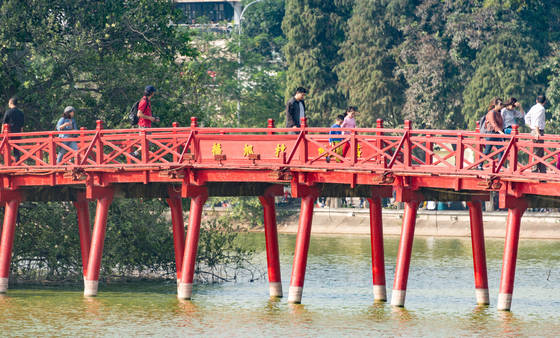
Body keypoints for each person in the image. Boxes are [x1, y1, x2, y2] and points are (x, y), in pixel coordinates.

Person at [132, 85, 159, 158]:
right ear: (151, 93)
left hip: (146, 125)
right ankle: (135, 153)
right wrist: (150, 118)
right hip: (143, 125)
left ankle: (137, 154)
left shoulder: (147, 101)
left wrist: (153, 118)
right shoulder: (144, 101)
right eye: (153, 92)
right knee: (146, 143)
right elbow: (139, 114)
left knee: (147, 144)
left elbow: (146, 113)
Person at [478, 98, 505, 170]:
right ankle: (479, 165)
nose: (502, 105)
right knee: (487, 151)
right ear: (496, 105)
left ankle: (499, 166)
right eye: (500, 104)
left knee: (501, 149)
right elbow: (493, 123)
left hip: (497, 134)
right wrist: (500, 132)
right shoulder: (491, 113)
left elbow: (501, 123)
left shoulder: (499, 113)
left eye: (502, 104)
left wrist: (502, 131)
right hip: (490, 134)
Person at [525, 94, 547, 173]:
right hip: (538, 131)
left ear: (536, 100)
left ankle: (542, 170)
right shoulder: (541, 109)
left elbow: (527, 117)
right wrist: (537, 132)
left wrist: (531, 126)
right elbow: (537, 121)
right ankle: (535, 170)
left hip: (533, 130)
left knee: (539, 151)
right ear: (545, 102)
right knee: (538, 152)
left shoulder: (533, 107)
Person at [2, 97, 25, 162]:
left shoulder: (8, 112)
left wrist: (2, 133)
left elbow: (4, 123)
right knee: (16, 148)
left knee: (6, 149)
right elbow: (22, 126)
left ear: (11, 103)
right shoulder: (21, 113)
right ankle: (17, 162)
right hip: (18, 132)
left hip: (9, 133)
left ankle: (7, 162)